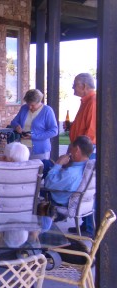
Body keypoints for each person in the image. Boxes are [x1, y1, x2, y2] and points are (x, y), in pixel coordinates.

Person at [66, 73, 97, 235]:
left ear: (83, 86)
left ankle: (89, 228)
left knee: (87, 189)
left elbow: (90, 135)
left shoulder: (93, 101)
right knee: (84, 188)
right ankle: (85, 226)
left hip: (86, 152)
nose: (72, 88)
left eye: (74, 85)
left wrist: (77, 153)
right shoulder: (86, 101)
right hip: (80, 150)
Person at [44, 136, 94, 233]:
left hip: (60, 200)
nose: (69, 151)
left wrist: (58, 163)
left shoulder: (71, 173)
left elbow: (48, 184)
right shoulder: (88, 166)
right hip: (81, 201)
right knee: (47, 164)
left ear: (77, 150)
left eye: (71, 148)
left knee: (45, 165)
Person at [10, 89, 58, 160]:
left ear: (39, 102)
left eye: (32, 105)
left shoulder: (47, 111)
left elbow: (54, 131)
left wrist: (34, 136)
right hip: (22, 148)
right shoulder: (24, 108)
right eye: (28, 104)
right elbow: (14, 122)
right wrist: (17, 126)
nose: (29, 107)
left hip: (40, 150)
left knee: (38, 170)